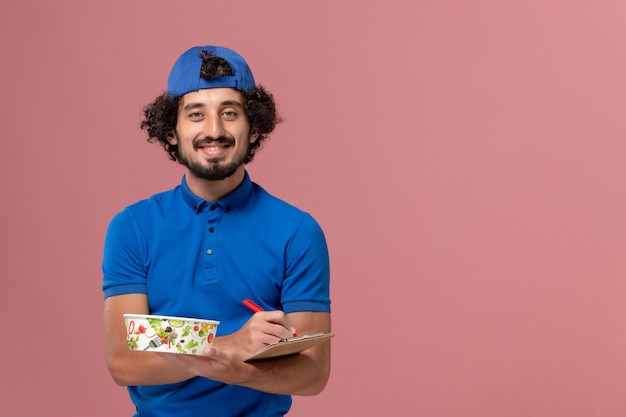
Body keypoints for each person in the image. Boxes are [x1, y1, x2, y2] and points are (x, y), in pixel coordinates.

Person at [102, 44, 332, 417]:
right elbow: (124, 361)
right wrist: (231, 344)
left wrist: (219, 361)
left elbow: (313, 371)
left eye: (230, 113)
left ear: (254, 127)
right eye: (196, 114)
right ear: (171, 131)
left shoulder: (297, 231)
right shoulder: (133, 228)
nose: (214, 130)